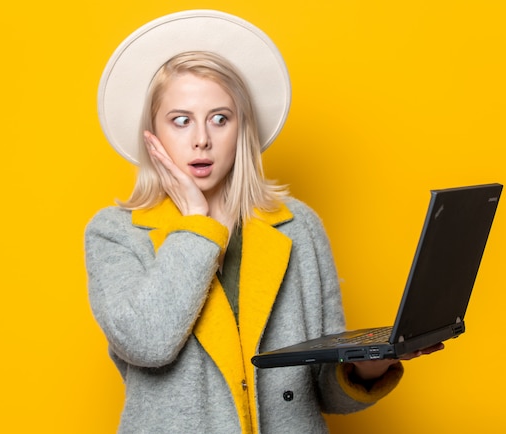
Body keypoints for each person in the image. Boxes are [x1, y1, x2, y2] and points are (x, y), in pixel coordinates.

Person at [85, 10, 443, 433]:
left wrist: (372, 364)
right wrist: (198, 224)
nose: (201, 138)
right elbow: (147, 342)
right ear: (153, 136)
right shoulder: (116, 232)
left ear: (243, 130)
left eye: (220, 118)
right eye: (180, 121)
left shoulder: (298, 226)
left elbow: (325, 388)